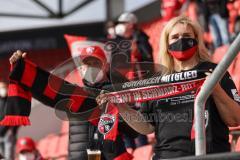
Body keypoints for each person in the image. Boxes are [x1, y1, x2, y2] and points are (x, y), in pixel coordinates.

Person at [97, 16, 240, 159]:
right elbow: (147, 127)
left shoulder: (215, 72)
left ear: (197, 39)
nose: (181, 40)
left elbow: (235, 119)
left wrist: (215, 89)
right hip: (167, 156)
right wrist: (120, 106)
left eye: (187, 36)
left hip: (209, 155)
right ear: (166, 43)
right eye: (175, 37)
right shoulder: (156, 80)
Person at [8, 46, 140, 160]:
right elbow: (48, 90)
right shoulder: (75, 95)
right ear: (81, 69)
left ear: (105, 66)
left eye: (94, 63)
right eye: (85, 64)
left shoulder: (121, 94)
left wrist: (114, 108)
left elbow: (136, 131)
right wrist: (22, 70)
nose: (89, 68)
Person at [0, 81, 19, 160]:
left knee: (9, 157)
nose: (2, 90)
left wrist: (13, 130)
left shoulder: (13, 100)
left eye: (4, 88)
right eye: (1, 89)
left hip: (8, 133)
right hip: (0, 134)